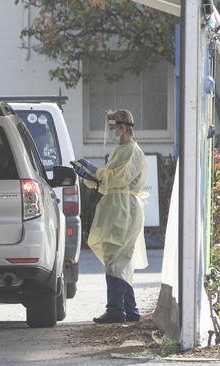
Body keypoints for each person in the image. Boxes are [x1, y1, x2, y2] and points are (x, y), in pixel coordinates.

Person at [80, 109, 148, 324]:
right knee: (119, 258)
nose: (111, 132)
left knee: (116, 258)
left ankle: (116, 310)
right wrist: (91, 177)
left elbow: (117, 178)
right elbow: (109, 181)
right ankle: (130, 309)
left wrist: (96, 173)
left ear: (123, 128)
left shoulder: (130, 150)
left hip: (124, 209)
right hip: (117, 207)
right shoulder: (122, 150)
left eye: (114, 127)